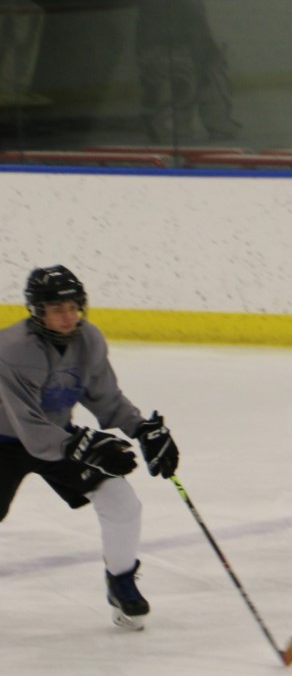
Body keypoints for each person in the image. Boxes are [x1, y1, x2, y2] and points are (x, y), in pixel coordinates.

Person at [1, 265, 179, 630]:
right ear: (37, 311)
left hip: (59, 436)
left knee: (121, 501)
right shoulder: (12, 349)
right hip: (5, 442)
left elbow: (105, 397)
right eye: (57, 308)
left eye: (73, 307)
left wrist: (141, 428)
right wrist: (81, 446)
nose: (68, 316)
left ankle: (121, 582)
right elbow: (28, 425)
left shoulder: (89, 340)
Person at [136, 0, 238, 145]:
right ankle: (215, 126)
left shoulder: (153, 0)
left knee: (182, 91)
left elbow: (144, 34)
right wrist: (205, 54)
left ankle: (176, 129)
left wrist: (144, 56)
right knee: (201, 89)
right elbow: (197, 31)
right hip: (183, 53)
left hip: (163, 55)